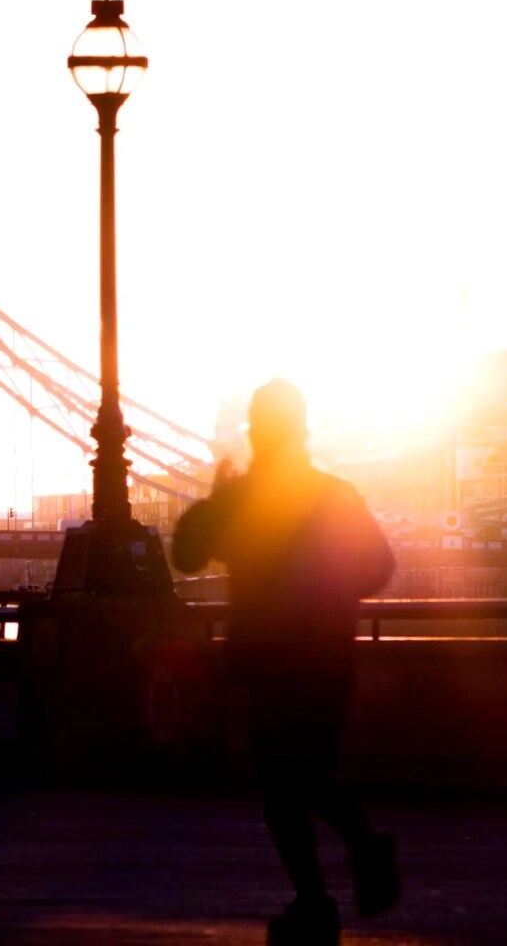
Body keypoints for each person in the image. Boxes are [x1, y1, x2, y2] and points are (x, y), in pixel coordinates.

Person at [173, 379, 401, 945]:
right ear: (303, 431)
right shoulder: (335, 495)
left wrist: (215, 498)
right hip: (326, 661)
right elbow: (378, 568)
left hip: (267, 662)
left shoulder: (240, 499)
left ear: (255, 432)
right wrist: (327, 582)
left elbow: (185, 556)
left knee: (282, 786)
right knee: (309, 776)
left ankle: (320, 893)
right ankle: (357, 853)